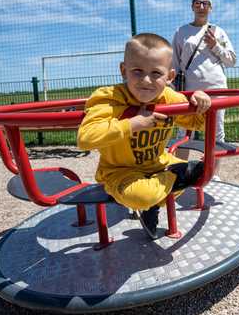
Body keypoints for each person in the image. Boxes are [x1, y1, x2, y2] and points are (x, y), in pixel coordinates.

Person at [77, 33, 211, 240]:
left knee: (205, 174)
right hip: (120, 171)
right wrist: (132, 124)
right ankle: (176, 176)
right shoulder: (110, 98)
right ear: (123, 70)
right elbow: (85, 137)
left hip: (158, 163)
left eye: (156, 73)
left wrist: (200, 102)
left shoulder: (168, 97)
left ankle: (153, 204)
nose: (146, 80)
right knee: (141, 196)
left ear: (170, 77)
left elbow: (196, 122)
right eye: (137, 71)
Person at [172, 0, 236, 176]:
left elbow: (231, 60)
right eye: (197, 3)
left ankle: (212, 173)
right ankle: (178, 172)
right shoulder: (181, 32)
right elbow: (175, 63)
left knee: (216, 132)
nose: (201, 6)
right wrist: (173, 87)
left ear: (211, 8)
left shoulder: (218, 31)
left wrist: (215, 46)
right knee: (183, 131)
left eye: (205, 3)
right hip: (189, 91)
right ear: (192, 6)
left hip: (216, 88)